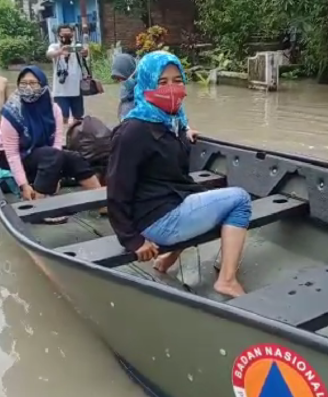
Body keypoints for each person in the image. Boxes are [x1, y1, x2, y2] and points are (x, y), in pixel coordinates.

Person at [106, 51, 252, 298]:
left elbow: (170, 146)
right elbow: (116, 190)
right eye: (162, 82)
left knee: (200, 197)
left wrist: (184, 132)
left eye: (177, 80)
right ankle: (226, 280)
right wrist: (132, 240)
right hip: (155, 219)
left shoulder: (170, 122)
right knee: (240, 200)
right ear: (147, 84)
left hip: (169, 202)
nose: (172, 88)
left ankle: (164, 262)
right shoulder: (133, 130)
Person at [0, 65, 105, 220]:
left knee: (73, 157)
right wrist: (24, 185)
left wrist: (56, 176)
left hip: (43, 155)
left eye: (33, 83)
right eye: (23, 83)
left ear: (43, 85)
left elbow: (56, 144)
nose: (28, 88)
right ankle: (39, 208)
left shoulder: (53, 109)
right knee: (50, 155)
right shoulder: (11, 112)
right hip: (11, 159)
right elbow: (12, 154)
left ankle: (101, 200)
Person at [46, 24, 88, 124]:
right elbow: (48, 54)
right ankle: (63, 138)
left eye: (68, 34)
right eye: (63, 35)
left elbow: (85, 53)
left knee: (78, 119)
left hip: (76, 90)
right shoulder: (54, 47)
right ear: (58, 36)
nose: (66, 37)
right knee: (62, 119)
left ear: (73, 34)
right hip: (60, 92)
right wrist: (60, 52)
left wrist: (84, 52)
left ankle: (74, 137)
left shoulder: (77, 46)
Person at [111, 53, 137, 121]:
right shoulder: (125, 86)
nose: (121, 81)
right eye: (117, 79)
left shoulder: (139, 88)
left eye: (122, 78)